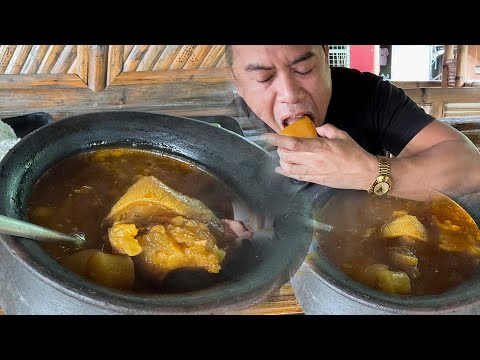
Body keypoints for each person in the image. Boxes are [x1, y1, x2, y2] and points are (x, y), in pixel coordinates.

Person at [225, 45, 480, 201]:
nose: (290, 94)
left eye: (304, 69)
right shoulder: (227, 127)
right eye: (263, 77)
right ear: (237, 81)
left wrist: (368, 173)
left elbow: (470, 169)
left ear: (325, 56)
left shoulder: (367, 94)